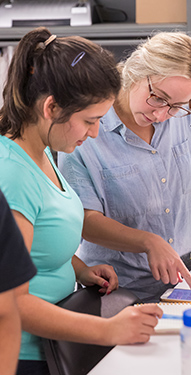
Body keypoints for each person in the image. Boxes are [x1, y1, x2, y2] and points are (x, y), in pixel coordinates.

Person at [0, 27, 162, 375]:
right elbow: (10, 301)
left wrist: (77, 268)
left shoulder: (40, 153)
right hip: (29, 356)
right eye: (90, 121)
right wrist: (108, 330)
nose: (95, 133)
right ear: (51, 107)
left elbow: (29, 246)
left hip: (58, 340)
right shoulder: (11, 175)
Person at [58, 31, 191, 303]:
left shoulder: (180, 107)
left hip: (187, 275)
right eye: (157, 98)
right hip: (122, 290)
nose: (161, 114)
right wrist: (148, 241)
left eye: (177, 106)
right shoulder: (87, 127)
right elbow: (85, 221)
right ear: (135, 72)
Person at [0, 190, 37, 375]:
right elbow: (13, 304)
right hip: (30, 350)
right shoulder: (15, 179)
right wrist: (108, 331)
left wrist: (79, 269)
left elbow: (6, 312)